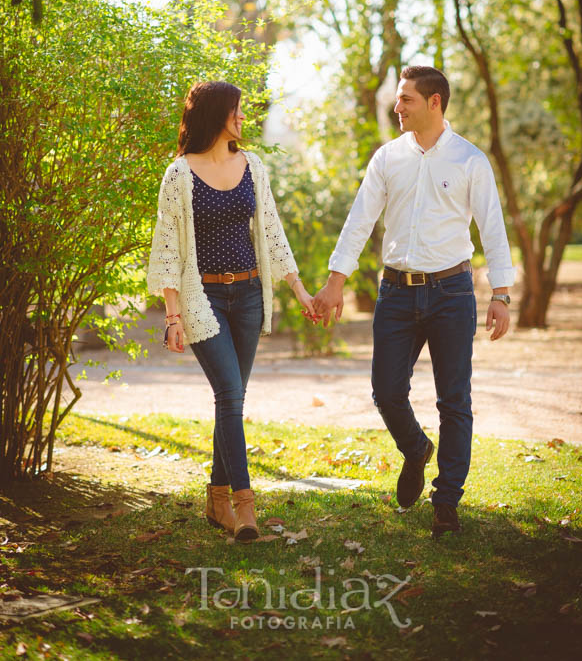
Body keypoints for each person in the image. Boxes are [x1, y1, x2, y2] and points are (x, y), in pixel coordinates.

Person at [313, 66, 514, 539]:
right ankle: (416, 447)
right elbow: (360, 219)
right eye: (398, 99)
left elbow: (492, 228)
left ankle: (446, 500)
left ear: (435, 103)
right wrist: (335, 280)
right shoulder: (388, 158)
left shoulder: (469, 160)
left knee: (455, 400)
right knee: (386, 391)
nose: (397, 107)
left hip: (452, 293)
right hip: (396, 292)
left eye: (406, 99)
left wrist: (501, 294)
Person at [147, 81, 315, 542]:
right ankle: (245, 507)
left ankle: (217, 497)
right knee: (230, 396)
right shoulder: (179, 174)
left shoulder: (252, 166)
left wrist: (298, 290)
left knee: (232, 398)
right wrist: (173, 315)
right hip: (205, 299)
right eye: (237, 110)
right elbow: (167, 251)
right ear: (217, 112)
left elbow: (272, 232)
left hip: (249, 297)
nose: (243, 117)